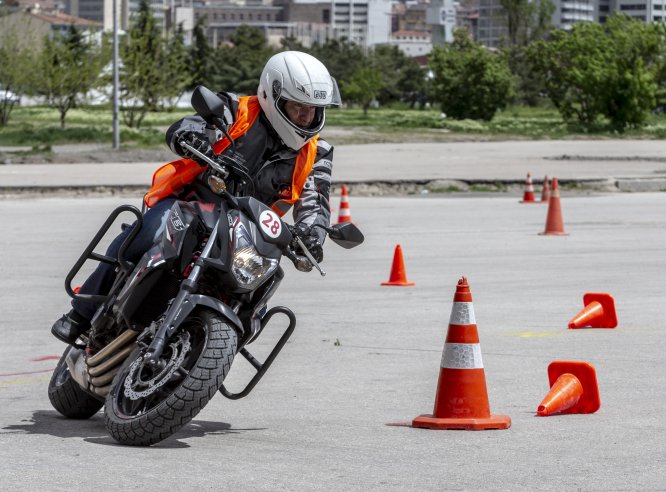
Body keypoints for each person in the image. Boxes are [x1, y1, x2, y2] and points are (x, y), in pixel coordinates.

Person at [51, 51, 341, 344]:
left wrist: (313, 236)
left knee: (256, 294)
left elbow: (315, 201)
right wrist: (190, 137)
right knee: (148, 232)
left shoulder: (318, 152)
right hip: (191, 204)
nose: (306, 116)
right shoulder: (234, 109)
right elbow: (190, 125)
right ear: (272, 95)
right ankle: (81, 313)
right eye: (298, 107)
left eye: (314, 109)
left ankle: (212, 350)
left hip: (247, 233)